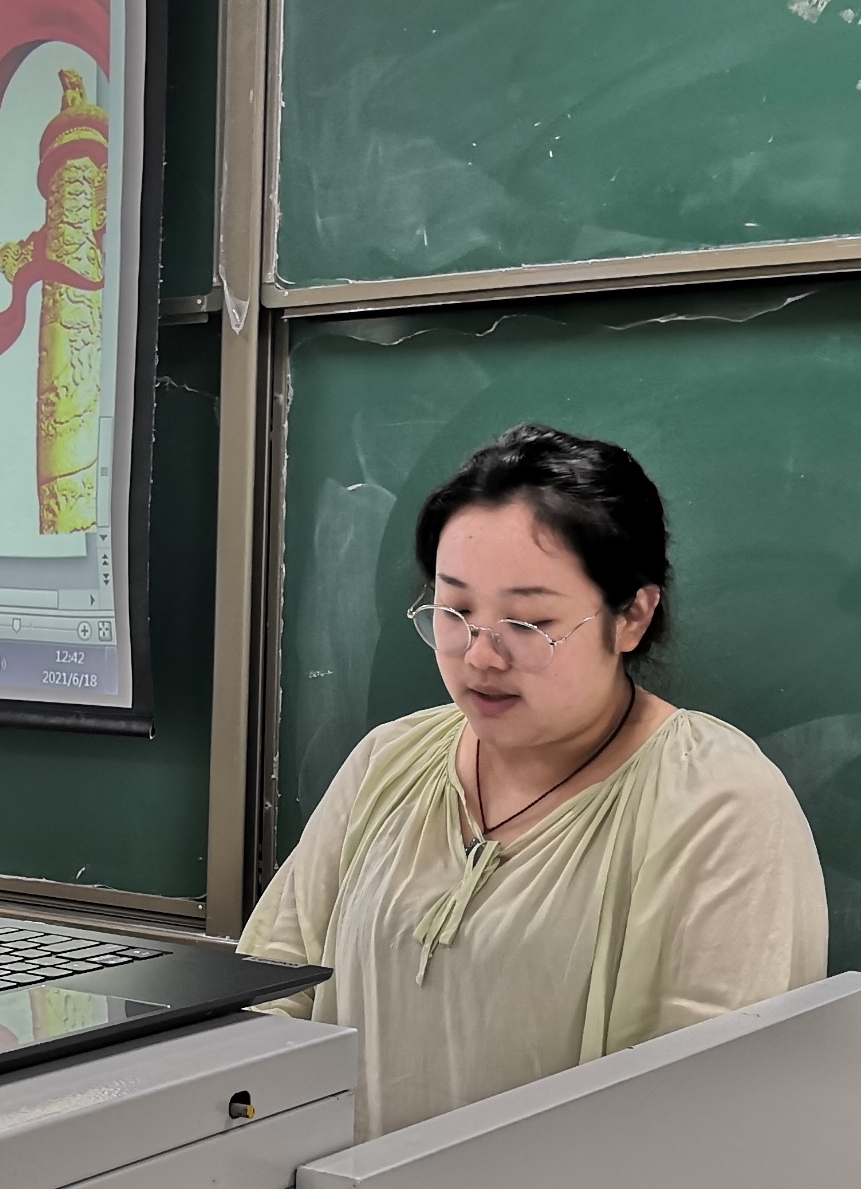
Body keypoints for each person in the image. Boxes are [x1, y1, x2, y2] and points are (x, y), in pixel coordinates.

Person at [240, 423, 827, 1138]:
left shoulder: (717, 803)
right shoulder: (388, 762)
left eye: (527, 622)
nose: (480, 657)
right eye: (454, 611)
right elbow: (273, 992)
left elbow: (703, 1110)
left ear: (632, 616)